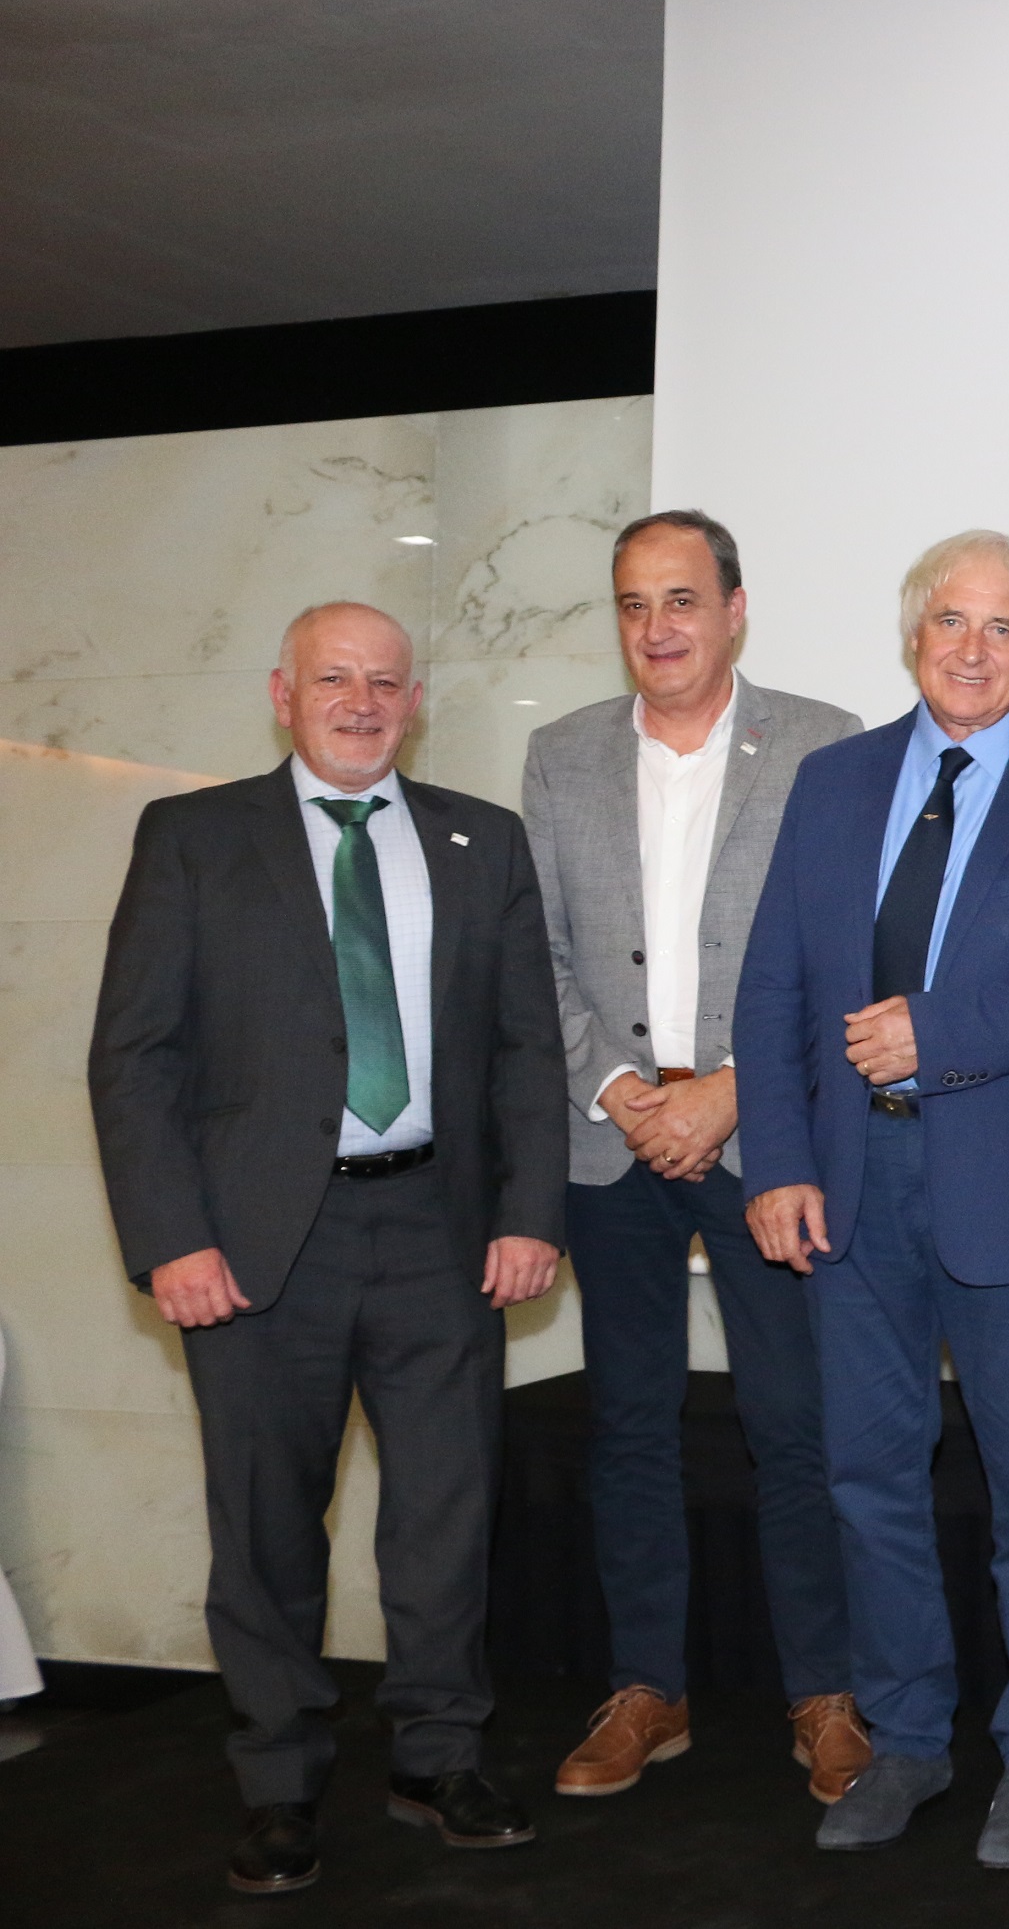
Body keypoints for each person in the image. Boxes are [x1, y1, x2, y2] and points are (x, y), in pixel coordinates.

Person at [89, 601, 566, 1896]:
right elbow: (135, 1059)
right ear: (282, 693)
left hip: (441, 1229)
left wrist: (532, 1210)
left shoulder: (485, 839)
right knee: (265, 1527)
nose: (361, 701)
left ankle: (436, 1752)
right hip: (250, 1247)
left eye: (385, 682)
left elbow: (530, 1048)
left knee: (444, 1514)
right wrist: (169, 1238)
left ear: (417, 702)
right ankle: (281, 1781)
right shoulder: (192, 835)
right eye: (333, 679)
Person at [733, 530, 1009, 1868]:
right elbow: (777, 985)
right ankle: (910, 1737)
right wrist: (782, 1158)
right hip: (853, 1185)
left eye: (1001, 629)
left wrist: (944, 1029)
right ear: (912, 632)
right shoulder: (834, 780)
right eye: (949, 623)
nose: (972, 650)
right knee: (869, 1478)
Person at [520, 510, 869, 1804]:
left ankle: (821, 1691)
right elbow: (536, 952)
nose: (656, 626)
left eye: (680, 598)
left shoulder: (826, 744)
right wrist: (620, 1087)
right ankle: (646, 1688)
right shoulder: (558, 757)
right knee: (627, 1421)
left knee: (793, 1421)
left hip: (763, 1132)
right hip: (611, 1140)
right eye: (631, 603)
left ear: (733, 608)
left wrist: (731, 1088)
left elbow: (847, 948)